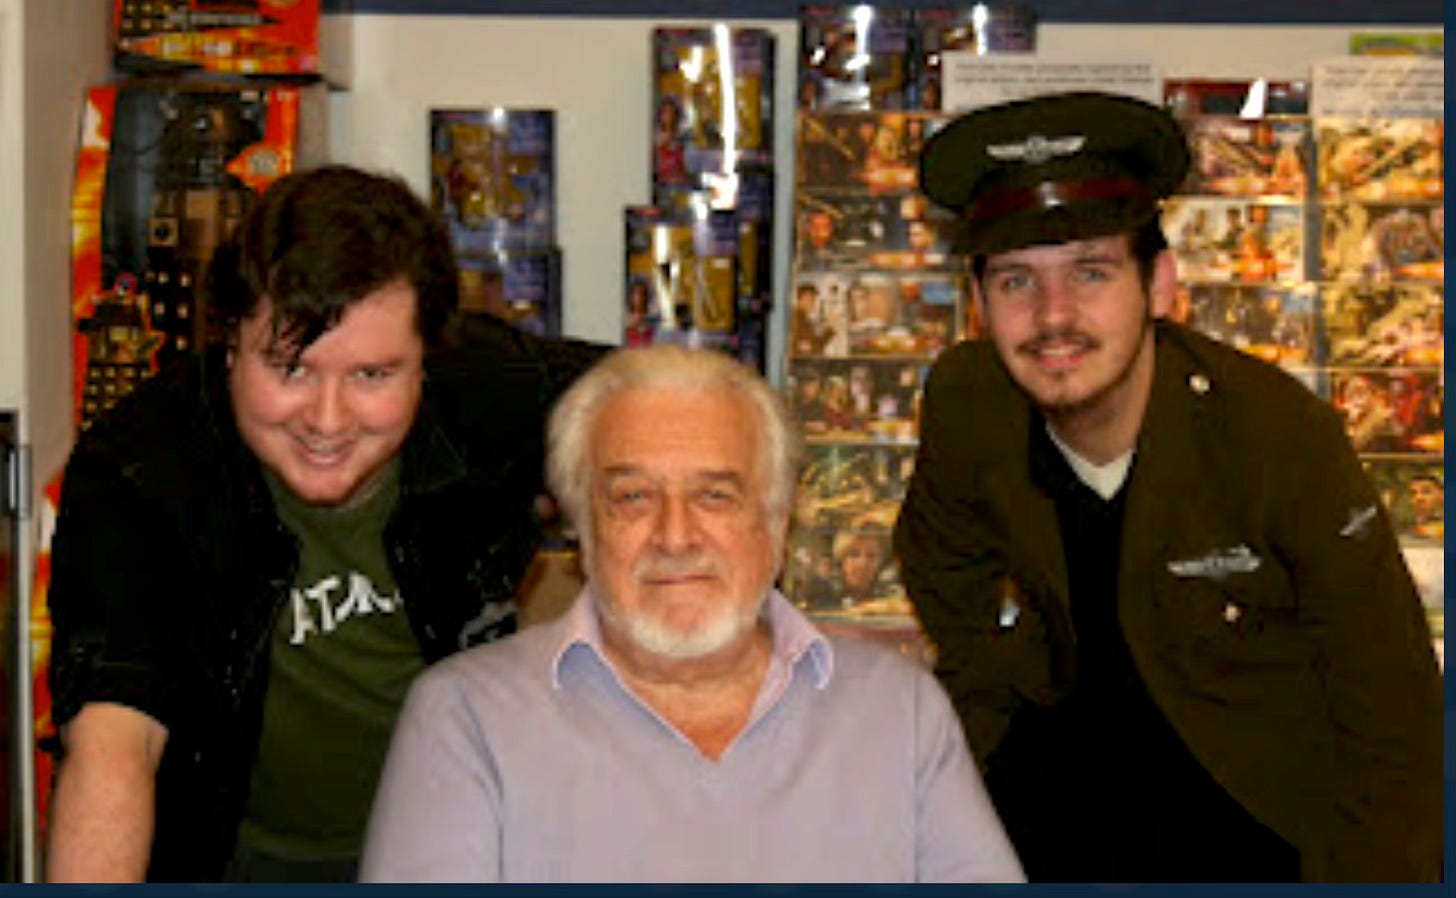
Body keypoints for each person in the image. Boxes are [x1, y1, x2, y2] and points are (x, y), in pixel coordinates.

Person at [895, 91, 1441, 883]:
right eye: (1016, 281)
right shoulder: (968, 402)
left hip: (1250, 818)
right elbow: (940, 567)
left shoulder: (1276, 438)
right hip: (1049, 817)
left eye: (1091, 272)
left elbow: (1394, 712)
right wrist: (996, 697)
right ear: (978, 304)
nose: (1054, 317)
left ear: (1159, 284)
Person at [44, 165, 604, 882]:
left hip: (470, 836)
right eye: (291, 370)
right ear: (229, 343)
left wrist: (610, 504)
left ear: (428, 361)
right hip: (238, 858)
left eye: (372, 376)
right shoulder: (137, 470)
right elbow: (113, 740)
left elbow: (682, 407)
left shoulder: (485, 386)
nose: (328, 421)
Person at [359, 345, 1024, 883]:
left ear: (777, 522)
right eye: (633, 497)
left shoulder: (899, 713)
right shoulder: (465, 721)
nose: (675, 536)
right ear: (583, 529)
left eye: (714, 494)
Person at [1405, 473, 1443, 540]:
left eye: (1426, 492)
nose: (1419, 498)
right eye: (1413, 493)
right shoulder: (1405, 530)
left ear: (1442, 496)